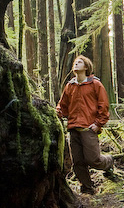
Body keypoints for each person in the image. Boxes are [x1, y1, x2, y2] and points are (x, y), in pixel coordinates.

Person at [56, 55, 114, 195]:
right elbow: (62, 105)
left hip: (88, 128)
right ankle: (87, 188)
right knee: (78, 162)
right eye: (75, 62)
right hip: (73, 129)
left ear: (86, 67)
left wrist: (98, 124)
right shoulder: (70, 85)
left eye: (80, 62)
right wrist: (57, 113)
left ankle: (109, 161)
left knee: (93, 160)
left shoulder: (95, 84)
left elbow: (103, 105)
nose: (76, 64)